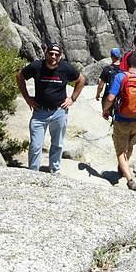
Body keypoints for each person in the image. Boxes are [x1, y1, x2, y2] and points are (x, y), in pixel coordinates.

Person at [16, 42, 86, 175]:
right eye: (51, 54)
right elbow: (20, 76)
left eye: (56, 55)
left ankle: (55, 170)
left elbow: (81, 79)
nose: (53, 57)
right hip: (40, 112)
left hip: (59, 111)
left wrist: (72, 98)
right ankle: (33, 172)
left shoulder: (65, 68)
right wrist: (27, 98)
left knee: (57, 144)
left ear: (60, 56)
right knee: (35, 145)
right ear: (46, 53)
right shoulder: (37, 66)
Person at [102, 57, 136, 191]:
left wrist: (105, 110)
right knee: (129, 146)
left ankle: (129, 179)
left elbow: (110, 98)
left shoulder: (120, 77)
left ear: (126, 63)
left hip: (121, 120)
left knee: (120, 151)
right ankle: (123, 168)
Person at [96, 47, 123, 112]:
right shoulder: (124, 69)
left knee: (106, 114)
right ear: (119, 56)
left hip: (108, 96)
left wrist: (98, 94)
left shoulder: (107, 69)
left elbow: (101, 86)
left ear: (111, 56)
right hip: (120, 96)